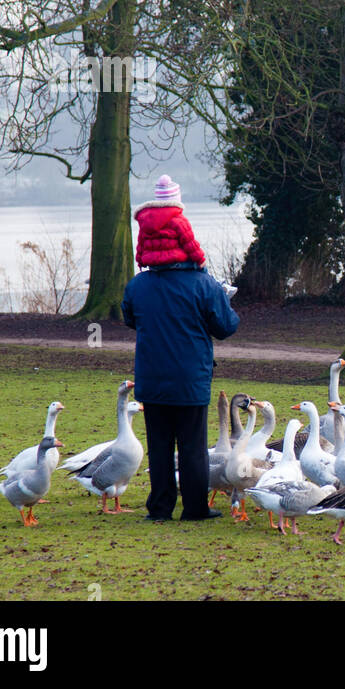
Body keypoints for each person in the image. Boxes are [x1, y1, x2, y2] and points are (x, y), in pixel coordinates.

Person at [122, 180, 239, 522]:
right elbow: (225, 328)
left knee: (159, 446)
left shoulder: (137, 286)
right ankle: (195, 508)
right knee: (192, 446)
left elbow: (132, 319)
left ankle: (159, 508)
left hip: (152, 378)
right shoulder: (204, 285)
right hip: (190, 377)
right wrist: (225, 301)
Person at [133, 174, 207, 268]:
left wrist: (140, 262)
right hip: (175, 264)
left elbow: (141, 244)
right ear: (176, 200)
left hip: (154, 266)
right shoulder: (179, 220)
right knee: (202, 269)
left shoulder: (146, 221)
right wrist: (201, 261)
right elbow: (190, 244)